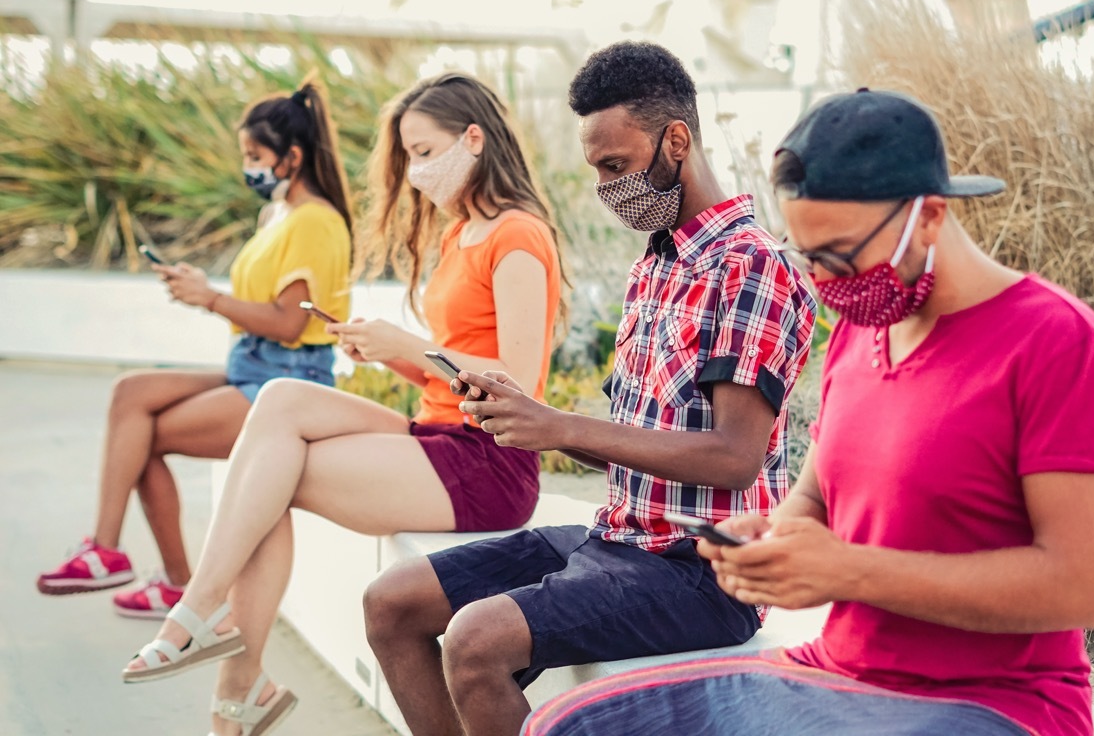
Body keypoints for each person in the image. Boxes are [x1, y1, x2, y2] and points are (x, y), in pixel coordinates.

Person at [521, 89, 1094, 736]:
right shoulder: (863, 329)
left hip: (991, 703)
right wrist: (767, 545)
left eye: (839, 255)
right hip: (836, 672)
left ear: (928, 215)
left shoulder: (1056, 341)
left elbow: (1083, 587)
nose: (823, 282)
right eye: (808, 255)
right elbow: (814, 501)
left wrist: (848, 571)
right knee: (571, 723)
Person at [362, 41, 816, 736]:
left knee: (477, 641)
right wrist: (530, 421)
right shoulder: (654, 268)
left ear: (676, 140)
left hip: (704, 572)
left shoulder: (751, 267)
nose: (608, 189)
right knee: (392, 602)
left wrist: (561, 427)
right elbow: (637, 439)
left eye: (618, 166)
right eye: (597, 171)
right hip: (617, 539)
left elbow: (733, 457)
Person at [117, 72, 566, 736]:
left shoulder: (517, 234)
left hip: (490, 464)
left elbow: (518, 385)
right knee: (282, 402)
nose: (415, 172)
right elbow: (448, 378)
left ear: (474, 139)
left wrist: (408, 340)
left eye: (424, 151)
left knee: (275, 472)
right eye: (408, 156)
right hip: (441, 433)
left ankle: (215, 640)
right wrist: (388, 354)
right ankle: (229, 663)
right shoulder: (458, 235)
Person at [36, 74, 354, 619]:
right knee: (131, 394)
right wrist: (202, 289)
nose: (248, 165)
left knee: (146, 437)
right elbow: (263, 306)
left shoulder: (317, 224)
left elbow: (285, 323)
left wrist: (208, 299)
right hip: (251, 365)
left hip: (290, 379)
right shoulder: (275, 216)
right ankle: (106, 549)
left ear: (292, 157)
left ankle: (176, 584)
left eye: (255, 154)